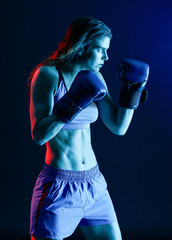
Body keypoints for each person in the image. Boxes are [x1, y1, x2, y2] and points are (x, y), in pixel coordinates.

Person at [28, 17, 149, 240]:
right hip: (58, 188)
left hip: (94, 184)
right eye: (100, 50)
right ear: (82, 45)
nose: (106, 57)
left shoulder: (95, 77)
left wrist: (132, 91)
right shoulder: (48, 74)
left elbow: (118, 126)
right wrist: (71, 103)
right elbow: (39, 135)